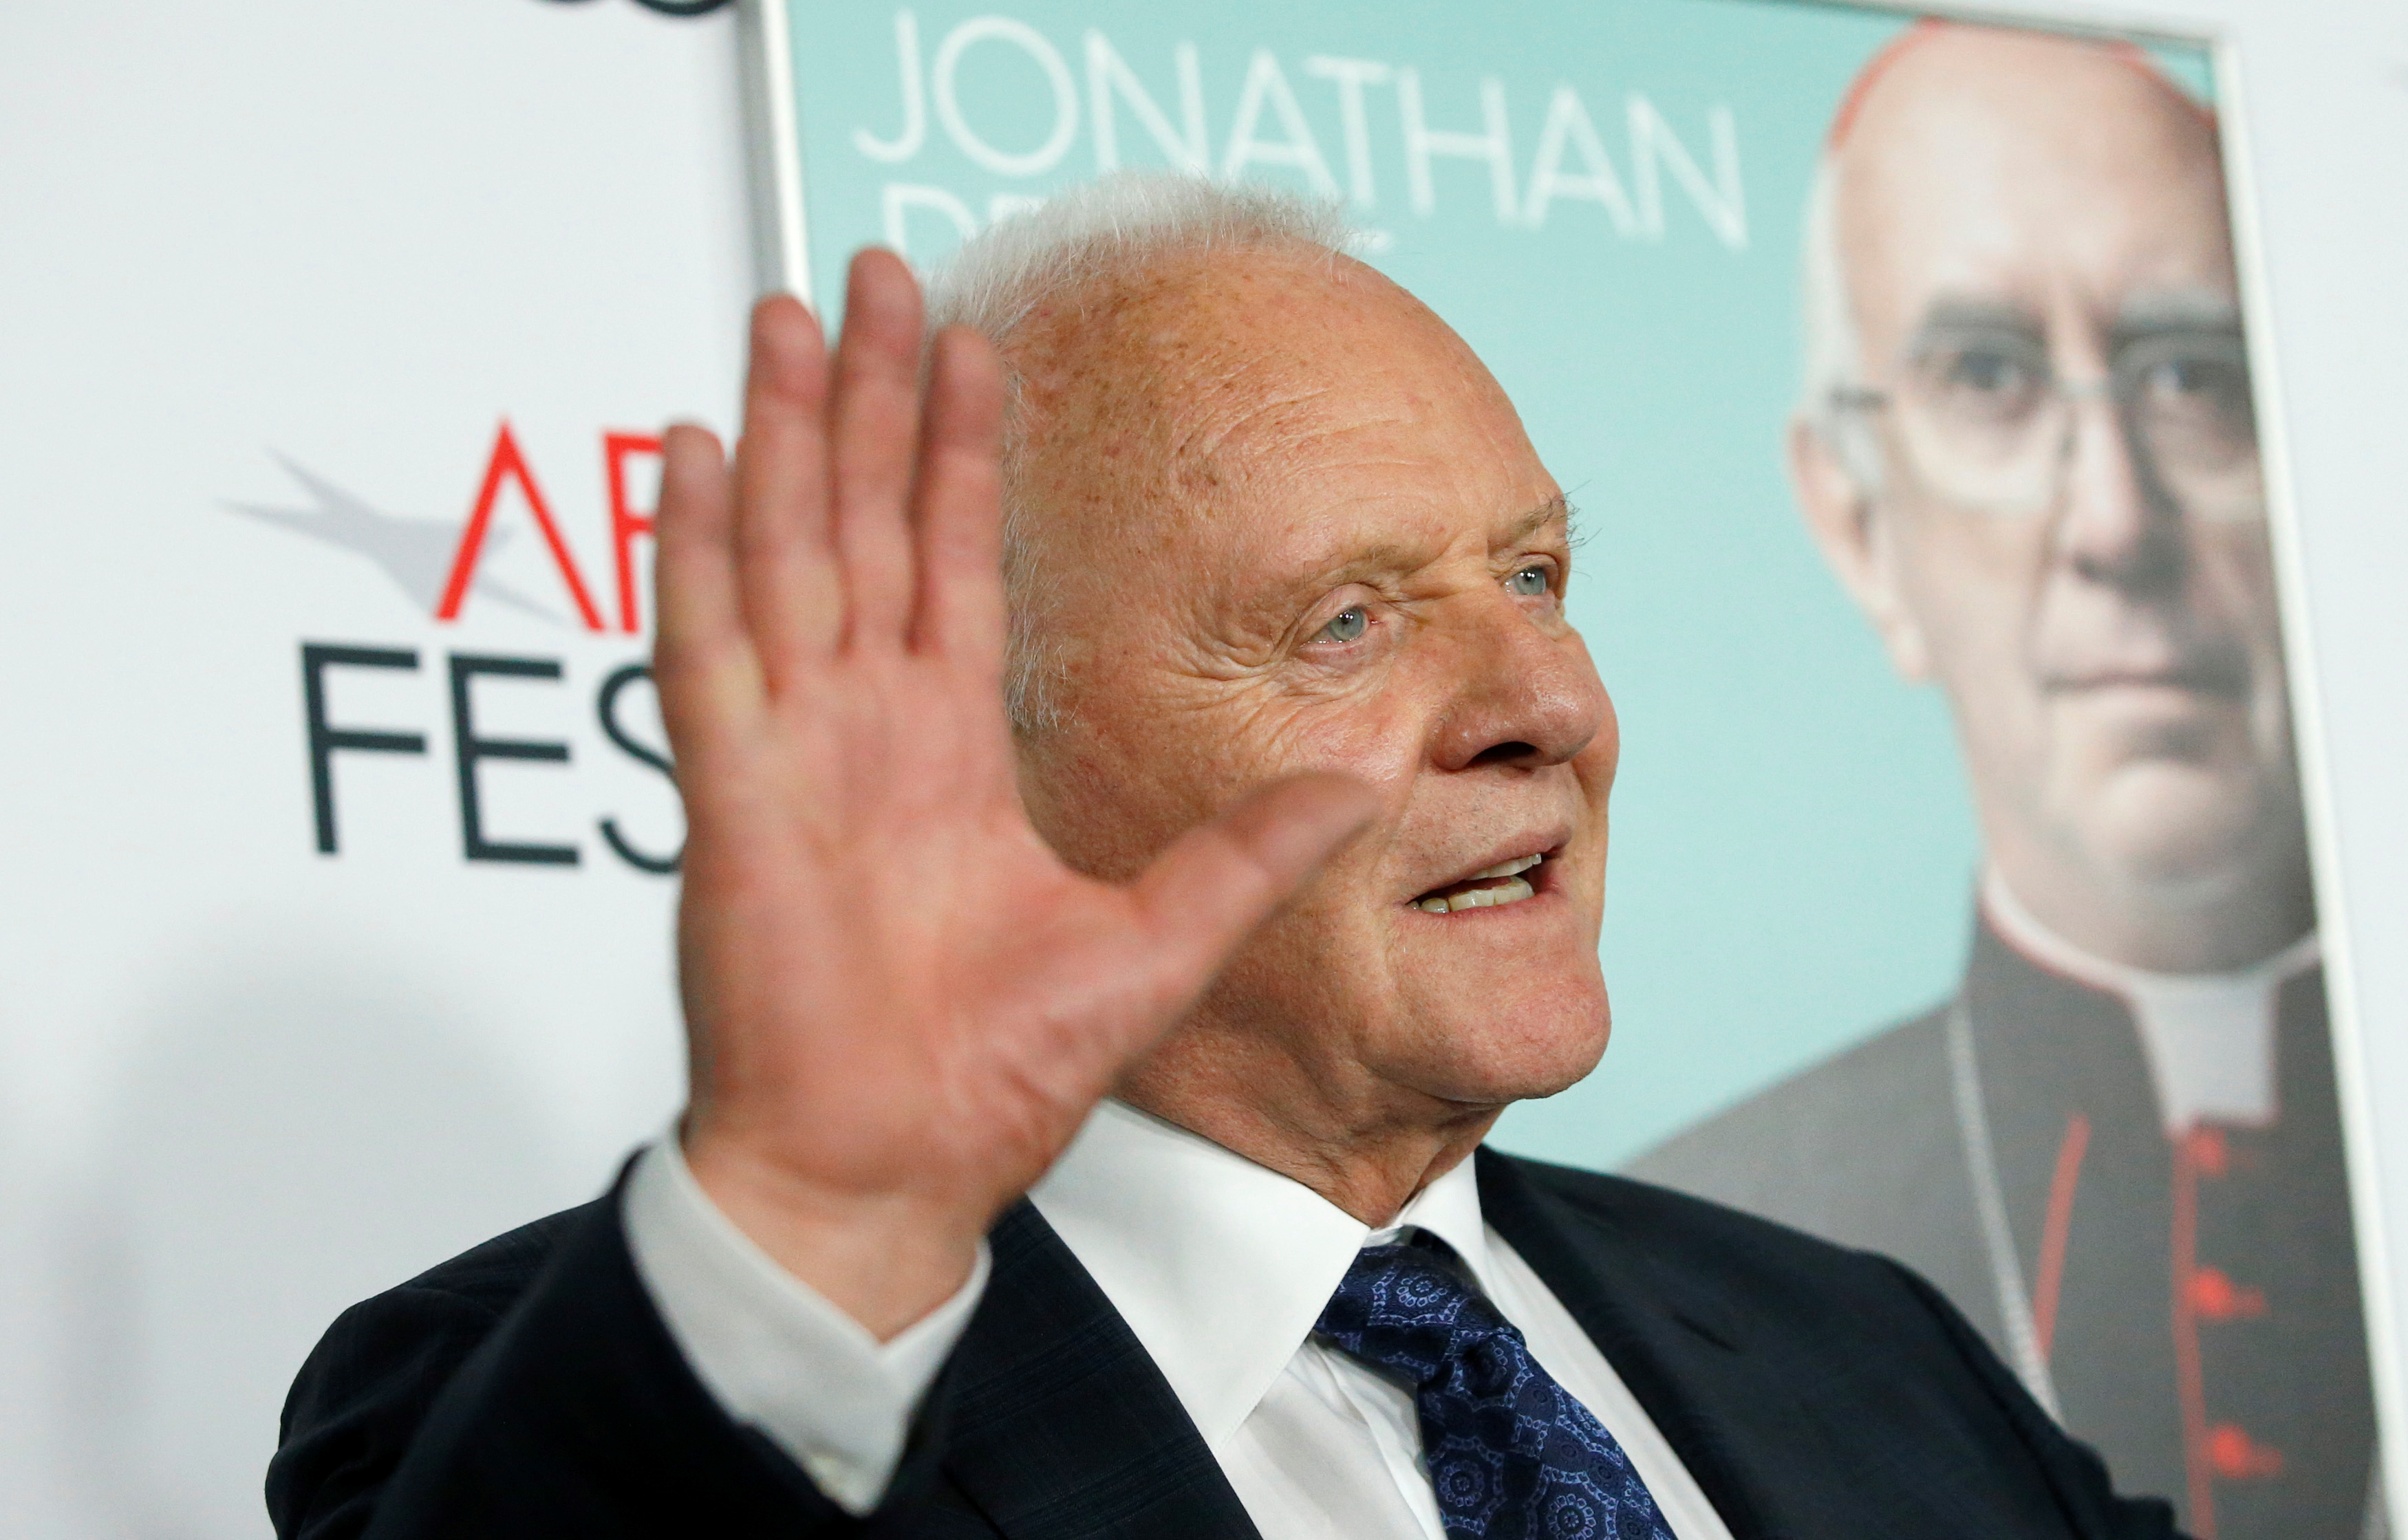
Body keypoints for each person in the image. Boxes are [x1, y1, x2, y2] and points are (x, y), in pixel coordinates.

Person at [267, 176, 2178, 1539]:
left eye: (1532, 576)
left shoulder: (1867, 1353)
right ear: (977, 745)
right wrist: (815, 1244)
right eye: (1347, 621)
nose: (1549, 702)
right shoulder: (584, 1399)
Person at [1630, 24, 2375, 1540]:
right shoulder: (1688, 1257)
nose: (2114, 521)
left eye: (2192, 379)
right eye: (1987, 376)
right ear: (1858, 529)